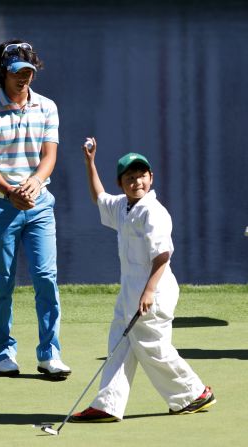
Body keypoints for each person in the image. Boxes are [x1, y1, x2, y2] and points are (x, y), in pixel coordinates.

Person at [70, 138, 216, 421]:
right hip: (130, 292)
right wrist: (90, 163)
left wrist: (148, 292)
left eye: (141, 176)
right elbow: (99, 197)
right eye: (130, 177)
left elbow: (163, 255)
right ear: (121, 183)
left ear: (151, 178)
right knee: (119, 345)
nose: (136, 181)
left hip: (155, 292)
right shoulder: (123, 207)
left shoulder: (153, 211)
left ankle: (194, 394)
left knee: (153, 348)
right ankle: (107, 404)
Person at [0, 39, 71, 378]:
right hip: (2, 208)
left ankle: (50, 354)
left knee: (46, 277)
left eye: (28, 72)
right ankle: (4, 352)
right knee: (3, 280)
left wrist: (35, 183)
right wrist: (11, 190)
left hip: (39, 204)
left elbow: (49, 156)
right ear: (3, 72)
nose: (24, 78)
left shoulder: (47, 107)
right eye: (17, 72)